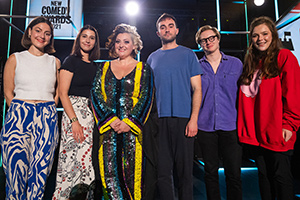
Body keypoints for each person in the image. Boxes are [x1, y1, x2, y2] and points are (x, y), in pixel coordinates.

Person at [238, 16, 300, 200]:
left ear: (273, 35)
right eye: (255, 35)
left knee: (281, 178)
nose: (260, 39)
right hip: (257, 135)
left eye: (264, 34)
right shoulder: (252, 62)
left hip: (276, 131)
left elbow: (294, 94)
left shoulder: (284, 57)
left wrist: (289, 124)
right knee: (264, 178)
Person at [91, 23, 154, 199]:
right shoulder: (103, 67)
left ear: (135, 45)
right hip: (109, 131)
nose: (121, 45)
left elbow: (146, 97)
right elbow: (95, 95)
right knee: (109, 178)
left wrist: (129, 123)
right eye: (118, 41)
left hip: (132, 133)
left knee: (133, 177)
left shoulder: (144, 69)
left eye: (126, 41)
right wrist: (110, 119)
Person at [0, 16, 60, 199]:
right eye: (38, 30)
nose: (42, 36)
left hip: (47, 116)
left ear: (50, 38)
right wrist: (22, 111)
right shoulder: (15, 58)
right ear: (29, 32)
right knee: (15, 173)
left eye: (47, 33)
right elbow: (8, 92)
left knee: (40, 174)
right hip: (19, 116)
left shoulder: (54, 62)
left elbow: (57, 92)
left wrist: (47, 111)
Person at [147, 13, 202, 200]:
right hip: (159, 120)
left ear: (177, 30)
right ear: (158, 32)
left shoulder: (188, 55)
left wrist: (194, 119)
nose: (167, 29)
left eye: (170, 25)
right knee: (163, 172)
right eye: (163, 27)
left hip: (184, 120)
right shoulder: (152, 59)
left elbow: (197, 89)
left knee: (185, 172)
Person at [195, 25, 243, 200]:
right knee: (210, 173)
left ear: (218, 38)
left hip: (231, 125)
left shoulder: (236, 64)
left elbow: (244, 95)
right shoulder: (196, 67)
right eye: (204, 40)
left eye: (211, 38)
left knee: (234, 174)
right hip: (205, 126)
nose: (208, 42)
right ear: (200, 44)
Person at [52, 25, 100, 199]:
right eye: (84, 36)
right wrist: (74, 121)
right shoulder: (70, 61)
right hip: (73, 116)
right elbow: (63, 94)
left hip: (89, 118)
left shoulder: (95, 66)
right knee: (69, 163)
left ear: (95, 42)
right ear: (78, 39)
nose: (87, 40)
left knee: (86, 164)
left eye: (92, 37)